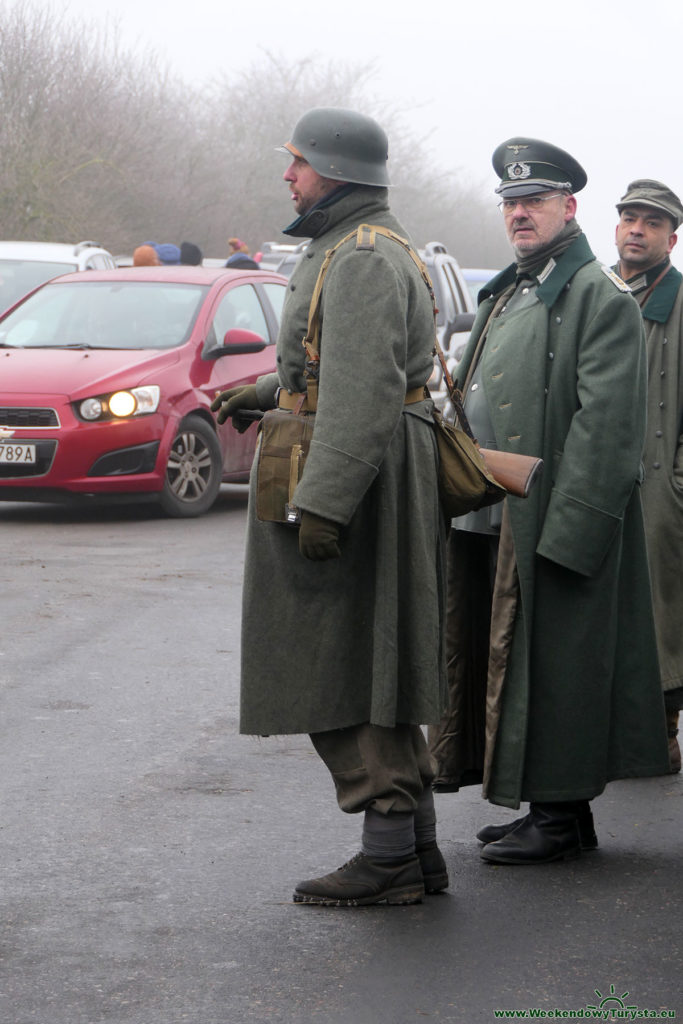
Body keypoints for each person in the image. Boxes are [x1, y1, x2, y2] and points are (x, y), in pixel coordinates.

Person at [211, 108, 448, 905]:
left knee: (337, 662)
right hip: (356, 468)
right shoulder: (348, 247)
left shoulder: (361, 257)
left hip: (352, 479)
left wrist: (326, 504)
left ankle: (387, 857)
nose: (289, 174)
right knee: (364, 659)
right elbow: (331, 363)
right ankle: (409, 847)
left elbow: (365, 390)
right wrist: (268, 388)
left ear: (336, 172)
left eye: (300, 162)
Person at [429, 137, 669, 865]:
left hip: (551, 517)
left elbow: (607, 430)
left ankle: (560, 817)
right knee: (508, 665)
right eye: (509, 203)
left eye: (532, 201)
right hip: (489, 509)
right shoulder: (507, 289)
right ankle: (549, 807)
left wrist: (570, 534)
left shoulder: (597, 297)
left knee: (556, 668)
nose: (519, 214)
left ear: (568, 208)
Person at [614, 179, 683, 773]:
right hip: (597, 476)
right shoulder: (600, 292)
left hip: (660, 483)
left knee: (661, 614)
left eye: (651, 223)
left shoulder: (678, 301)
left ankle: (662, 729)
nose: (637, 229)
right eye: (630, 218)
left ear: (671, 238)